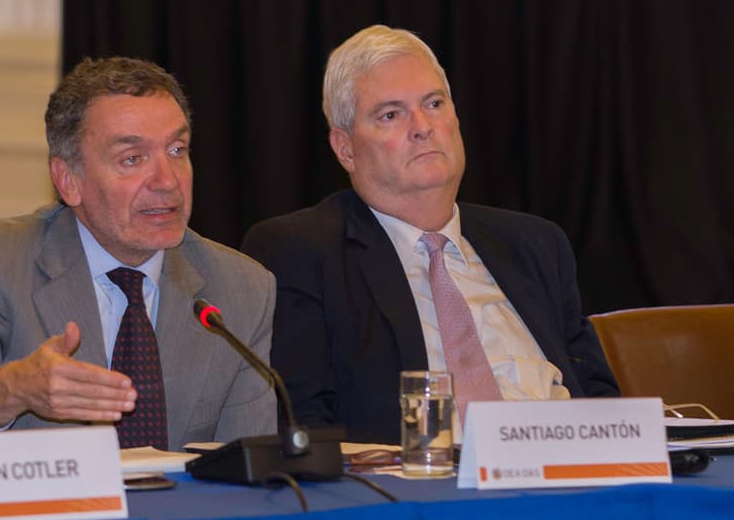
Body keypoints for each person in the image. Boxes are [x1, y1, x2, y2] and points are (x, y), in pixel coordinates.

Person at [243, 25, 619, 445]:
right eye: (391, 114)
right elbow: (304, 424)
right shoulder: (302, 251)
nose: (422, 126)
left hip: (573, 482)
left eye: (434, 103)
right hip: (421, 494)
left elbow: (600, 400)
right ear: (345, 148)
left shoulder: (536, 244)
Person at [0, 57, 276, 450]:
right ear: (68, 181)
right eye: (132, 158)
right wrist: (8, 392)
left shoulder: (243, 287)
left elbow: (251, 467)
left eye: (177, 150)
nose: (167, 181)